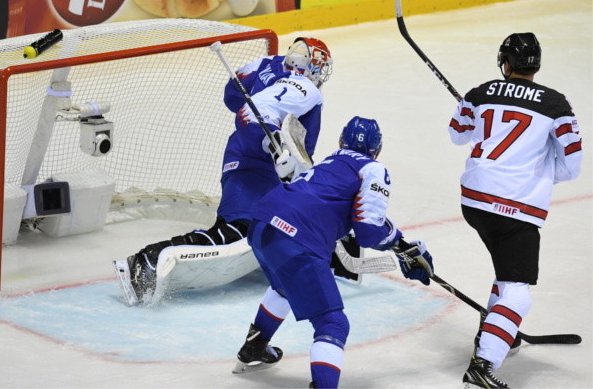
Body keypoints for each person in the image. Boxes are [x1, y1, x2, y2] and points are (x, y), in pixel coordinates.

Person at [114, 37, 336, 305]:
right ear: (310, 66)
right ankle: (146, 260)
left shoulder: (265, 64)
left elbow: (233, 94)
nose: (321, 75)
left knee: (279, 225)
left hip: (257, 159)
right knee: (234, 231)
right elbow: (248, 113)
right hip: (253, 165)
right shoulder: (305, 87)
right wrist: (269, 138)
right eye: (320, 67)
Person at [232, 116, 435, 388]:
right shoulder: (373, 169)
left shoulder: (330, 162)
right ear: (378, 149)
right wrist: (402, 246)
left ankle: (254, 347)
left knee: (283, 286)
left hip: (261, 223)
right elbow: (368, 231)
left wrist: (400, 244)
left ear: (340, 141)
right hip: (296, 238)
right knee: (333, 324)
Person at [448, 32, 582, 388]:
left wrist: (470, 109)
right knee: (518, 289)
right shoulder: (556, 105)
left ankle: (494, 330)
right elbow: (573, 165)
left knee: (507, 273)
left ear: (505, 63)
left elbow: (458, 134)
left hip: (474, 201)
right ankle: (483, 364)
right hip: (514, 208)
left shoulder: (481, 93)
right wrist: (538, 173)